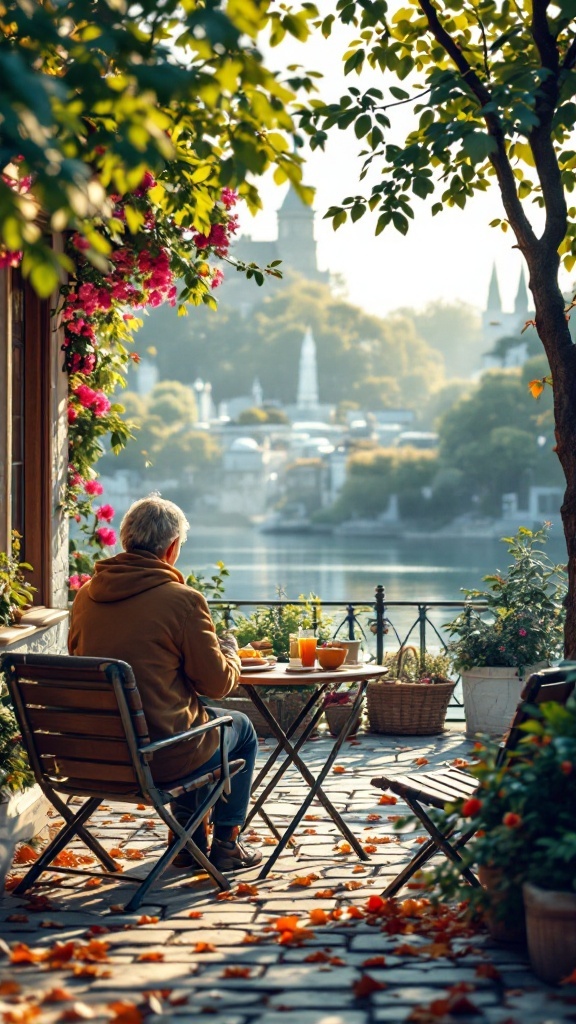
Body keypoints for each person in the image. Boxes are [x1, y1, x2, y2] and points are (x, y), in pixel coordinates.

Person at [68, 494, 261, 872]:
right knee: (238, 729)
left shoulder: (86, 596)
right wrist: (231, 652)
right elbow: (218, 683)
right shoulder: (182, 600)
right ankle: (226, 845)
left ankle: (187, 843)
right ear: (172, 548)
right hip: (158, 758)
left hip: (95, 752)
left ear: (126, 539)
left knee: (195, 724)